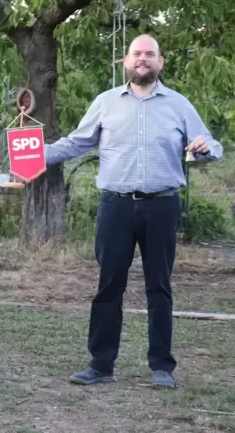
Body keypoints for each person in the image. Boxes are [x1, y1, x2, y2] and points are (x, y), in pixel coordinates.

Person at [45, 35, 223, 389]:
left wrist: (205, 149)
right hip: (116, 207)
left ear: (160, 62)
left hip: (162, 206)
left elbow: (210, 147)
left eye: (150, 54)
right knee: (109, 285)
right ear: (126, 62)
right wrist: (30, 156)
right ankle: (100, 364)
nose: (143, 59)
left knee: (160, 286)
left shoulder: (178, 105)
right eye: (137, 54)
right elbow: (76, 142)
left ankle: (161, 368)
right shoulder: (106, 102)